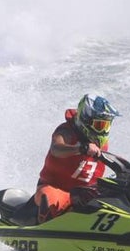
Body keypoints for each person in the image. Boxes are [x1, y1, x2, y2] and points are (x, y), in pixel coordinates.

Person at [34, 94, 121, 224]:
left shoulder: (100, 143)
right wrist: (80, 148)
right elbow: (56, 148)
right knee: (51, 200)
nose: (103, 131)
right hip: (54, 188)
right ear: (85, 120)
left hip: (84, 194)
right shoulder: (66, 132)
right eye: (99, 125)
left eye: (106, 126)